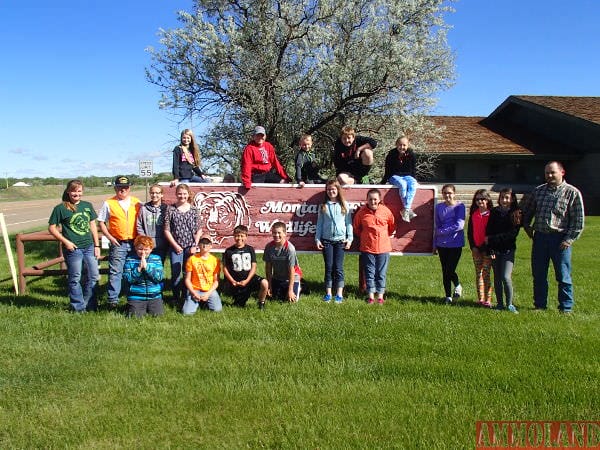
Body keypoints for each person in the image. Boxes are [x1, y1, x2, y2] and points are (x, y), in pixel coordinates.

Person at [521, 161, 585, 313]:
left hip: (560, 239)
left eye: (552, 172)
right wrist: (527, 226)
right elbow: (528, 211)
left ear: (562, 172)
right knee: (539, 274)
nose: (549, 175)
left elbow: (578, 220)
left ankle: (566, 308)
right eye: (547, 173)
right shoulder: (538, 191)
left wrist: (569, 239)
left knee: (563, 276)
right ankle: (539, 305)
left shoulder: (572, 193)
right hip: (540, 238)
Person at [48, 179, 101, 313]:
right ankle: (78, 307)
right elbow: (52, 228)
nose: (76, 194)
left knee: (93, 276)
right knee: (75, 278)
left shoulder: (87, 206)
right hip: (73, 249)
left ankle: (90, 305)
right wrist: (66, 241)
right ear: (68, 191)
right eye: (73, 191)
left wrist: (97, 245)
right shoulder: (60, 208)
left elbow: (93, 225)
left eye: (79, 191)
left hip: (89, 246)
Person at [98, 175, 141, 309]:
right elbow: (101, 222)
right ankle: (113, 300)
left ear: (129, 188)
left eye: (125, 187)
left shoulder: (137, 202)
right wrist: (110, 237)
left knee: (133, 269)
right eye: (120, 187)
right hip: (118, 243)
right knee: (116, 271)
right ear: (115, 188)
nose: (123, 190)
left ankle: (133, 296)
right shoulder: (109, 203)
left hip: (134, 242)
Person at [353, 188, 395, 304]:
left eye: (375, 199)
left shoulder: (386, 211)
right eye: (370, 199)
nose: (373, 201)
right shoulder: (362, 212)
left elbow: (391, 226)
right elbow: (356, 228)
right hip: (367, 247)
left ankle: (380, 296)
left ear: (379, 199)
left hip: (383, 247)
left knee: (381, 273)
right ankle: (371, 296)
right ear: (367, 200)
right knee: (369, 273)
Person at [163, 183, 202, 307]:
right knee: (175, 273)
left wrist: (195, 245)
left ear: (188, 194)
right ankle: (175, 297)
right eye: (179, 193)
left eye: (184, 193)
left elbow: (199, 229)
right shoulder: (171, 209)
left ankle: (186, 296)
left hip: (190, 247)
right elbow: (166, 230)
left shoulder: (194, 209)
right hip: (176, 247)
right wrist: (175, 245)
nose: (182, 196)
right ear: (176, 194)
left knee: (188, 272)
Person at [315, 179, 353, 303]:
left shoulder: (344, 205)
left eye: (333, 189)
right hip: (327, 241)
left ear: (338, 190)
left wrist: (350, 239)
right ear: (326, 191)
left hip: (340, 241)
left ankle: (339, 294)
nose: (331, 191)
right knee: (329, 267)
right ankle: (328, 293)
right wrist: (317, 239)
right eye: (329, 189)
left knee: (338, 267)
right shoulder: (323, 206)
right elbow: (319, 224)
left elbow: (348, 223)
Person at [486, 188, 521, 314]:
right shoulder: (494, 212)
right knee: (497, 277)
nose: (504, 200)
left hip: (508, 250)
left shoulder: (516, 213)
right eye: (502, 197)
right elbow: (488, 231)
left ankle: (510, 304)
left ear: (512, 199)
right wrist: (491, 248)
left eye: (507, 197)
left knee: (506, 277)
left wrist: (492, 238)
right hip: (495, 251)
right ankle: (500, 304)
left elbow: (512, 234)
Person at [222, 225, 269, 309]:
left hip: (250, 279)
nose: (239, 238)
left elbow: (254, 266)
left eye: (242, 236)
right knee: (238, 306)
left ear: (246, 236)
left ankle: (261, 303)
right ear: (233, 236)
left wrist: (247, 280)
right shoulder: (229, 251)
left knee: (264, 283)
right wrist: (232, 281)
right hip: (237, 282)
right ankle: (239, 297)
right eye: (237, 236)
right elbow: (225, 268)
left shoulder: (250, 249)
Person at [434, 184, 465, 305]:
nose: (447, 195)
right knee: (444, 271)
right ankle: (448, 296)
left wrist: (441, 232)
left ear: (454, 193)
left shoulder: (460, 206)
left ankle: (457, 285)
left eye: (450, 193)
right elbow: (437, 224)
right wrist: (435, 243)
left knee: (450, 269)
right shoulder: (439, 207)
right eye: (445, 193)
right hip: (442, 244)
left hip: (455, 244)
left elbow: (459, 225)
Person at [123, 235, 164, 318]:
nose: (143, 252)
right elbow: (127, 279)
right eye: (140, 249)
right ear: (135, 248)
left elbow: (159, 278)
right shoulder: (130, 260)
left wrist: (147, 268)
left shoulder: (156, 259)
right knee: (135, 317)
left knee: (158, 316)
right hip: (136, 296)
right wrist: (138, 269)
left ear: (151, 249)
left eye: (146, 249)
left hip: (154, 296)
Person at [182, 234, 223, 314]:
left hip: (209, 290)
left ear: (211, 245)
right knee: (186, 313)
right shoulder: (191, 259)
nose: (204, 245)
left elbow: (216, 281)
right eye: (202, 242)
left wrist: (208, 294)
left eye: (207, 243)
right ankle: (198, 301)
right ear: (199, 245)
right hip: (195, 289)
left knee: (217, 310)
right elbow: (187, 279)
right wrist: (193, 293)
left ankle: (204, 302)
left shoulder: (215, 260)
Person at [381, 135, 418, 222]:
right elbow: (387, 170)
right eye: (400, 145)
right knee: (403, 185)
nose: (402, 147)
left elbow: (413, 170)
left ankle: (406, 209)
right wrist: (383, 182)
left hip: (407, 176)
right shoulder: (391, 155)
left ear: (408, 145)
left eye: (404, 145)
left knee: (413, 184)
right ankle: (407, 209)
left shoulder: (411, 155)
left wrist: (415, 180)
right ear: (396, 145)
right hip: (394, 176)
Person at [263, 221, 302, 304]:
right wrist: (269, 285)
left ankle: (300, 286)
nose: (276, 235)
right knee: (272, 298)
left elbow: (292, 270)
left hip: (292, 277)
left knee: (291, 301)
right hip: (277, 277)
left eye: (279, 233)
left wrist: (290, 291)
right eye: (274, 233)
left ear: (285, 233)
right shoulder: (269, 247)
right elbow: (268, 268)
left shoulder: (290, 249)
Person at [467, 189, 493, 307]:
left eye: (482, 199)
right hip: (476, 249)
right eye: (477, 199)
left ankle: (488, 299)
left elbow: (492, 232)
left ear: (487, 200)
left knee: (486, 273)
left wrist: (486, 247)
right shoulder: (474, 214)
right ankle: (480, 298)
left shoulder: (492, 214)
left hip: (487, 249)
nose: (480, 201)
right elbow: (470, 232)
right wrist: (473, 247)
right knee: (478, 273)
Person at [136, 184, 168, 261]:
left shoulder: (166, 209)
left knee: (158, 267)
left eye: (157, 193)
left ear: (161, 194)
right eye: (152, 193)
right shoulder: (144, 209)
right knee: (146, 267)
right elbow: (139, 225)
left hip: (161, 244)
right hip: (146, 245)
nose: (154, 195)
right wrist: (145, 240)